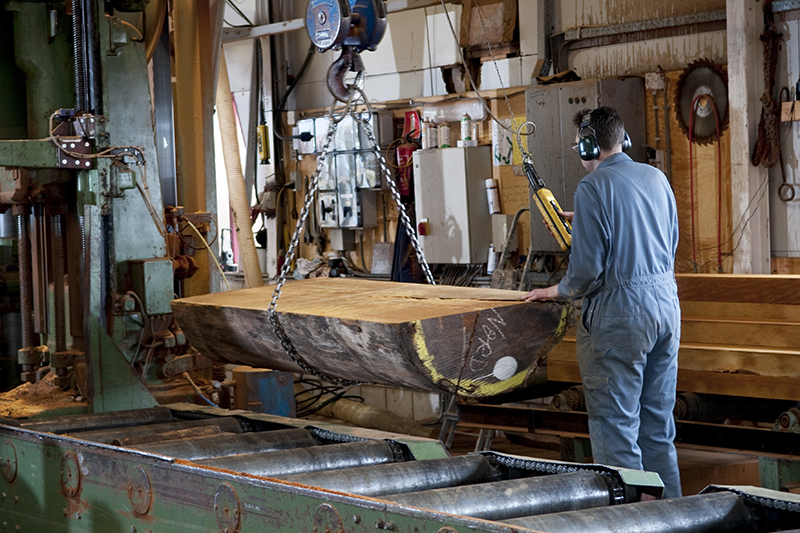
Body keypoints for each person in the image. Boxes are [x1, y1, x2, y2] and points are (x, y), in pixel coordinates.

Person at [522, 106, 682, 498]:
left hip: (619, 317)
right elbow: (667, 238)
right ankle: (676, 517)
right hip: (665, 307)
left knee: (616, 428)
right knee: (657, 427)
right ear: (622, 140)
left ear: (589, 145)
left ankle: (629, 522)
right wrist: (592, 220)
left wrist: (557, 290)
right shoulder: (656, 178)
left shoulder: (592, 188)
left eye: (579, 145)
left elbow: (588, 268)